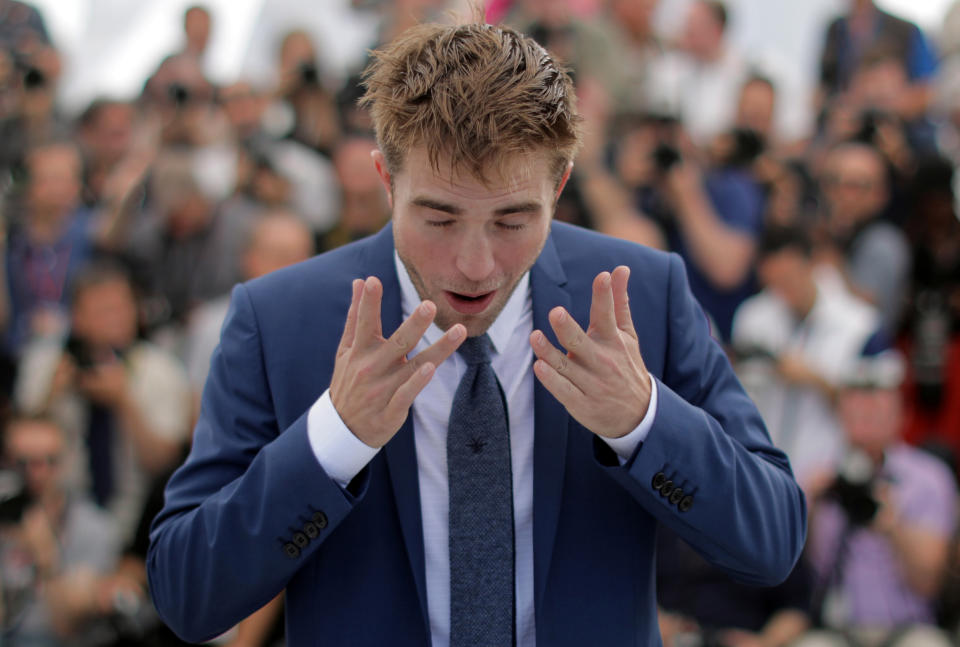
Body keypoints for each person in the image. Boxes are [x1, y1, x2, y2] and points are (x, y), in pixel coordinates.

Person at [148, 21, 807, 646]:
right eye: (438, 218)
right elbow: (187, 596)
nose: (475, 263)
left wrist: (644, 421)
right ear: (385, 179)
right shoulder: (278, 320)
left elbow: (773, 540)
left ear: (562, 184)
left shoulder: (645, 295)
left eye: (513, 220)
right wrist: (330, 440)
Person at [801, 352, 956, 647]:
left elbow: (928, 583)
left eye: (874, 414)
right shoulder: (820, 474)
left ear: (901, 416)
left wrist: (892, 526)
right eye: (854, 414)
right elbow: (792, 574)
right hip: (834, 629)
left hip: (907, 630)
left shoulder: (928, 478)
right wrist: (809, 506)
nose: (862, 427)